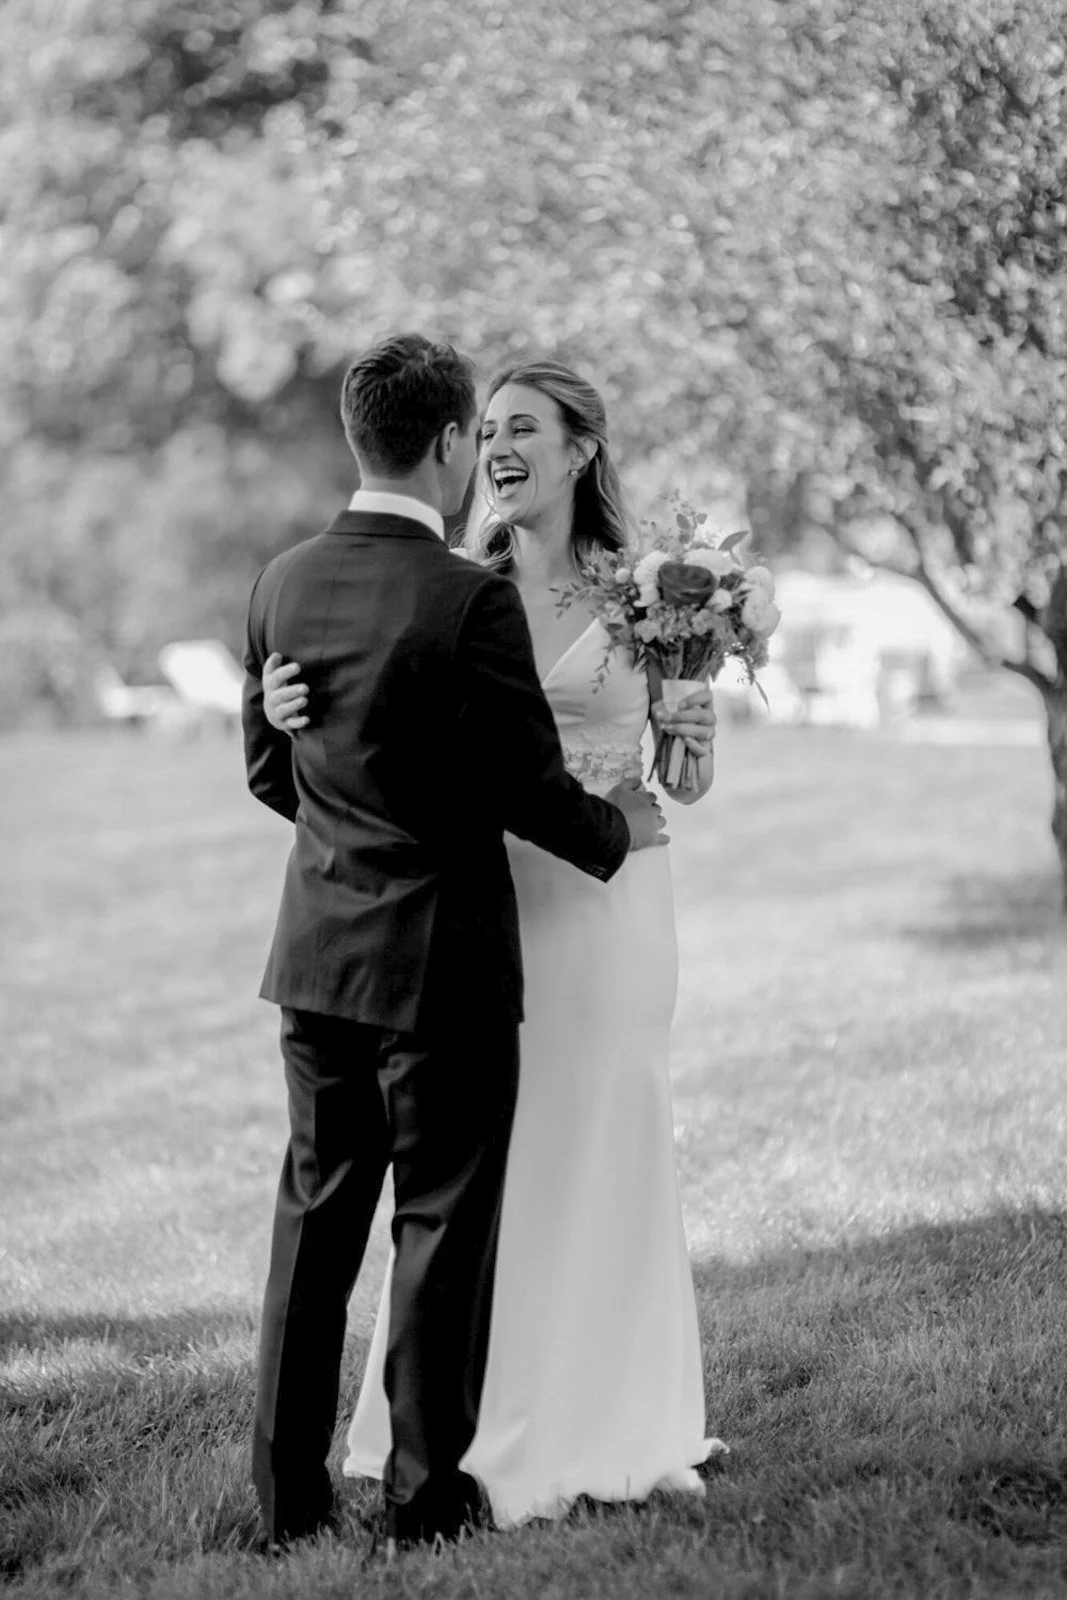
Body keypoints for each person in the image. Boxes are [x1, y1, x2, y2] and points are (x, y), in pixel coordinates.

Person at [263, 357, 722, 1530]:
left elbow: (682, 776)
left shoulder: (654, 599)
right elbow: (357, 744)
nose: (502, 445)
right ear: (461, 448)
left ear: (580, 450)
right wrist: (281, 710)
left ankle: (604, 1407)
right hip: (481, 899)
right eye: (492, 426)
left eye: (528, 426)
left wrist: (690, 724)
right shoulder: (446, 584)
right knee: (477, 1174)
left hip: (612, 911)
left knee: (598, 1138)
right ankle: (466, 1426)